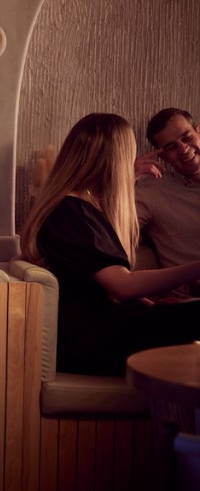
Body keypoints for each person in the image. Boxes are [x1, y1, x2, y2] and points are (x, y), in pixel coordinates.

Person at [20, 113, 200, 376]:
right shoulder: (71, 212)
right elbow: (123, 286)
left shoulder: (82, 206)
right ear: (112, 159)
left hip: (105, 329)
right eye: (128, 156)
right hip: (93, 340)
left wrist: (152, 304)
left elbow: (99, 287)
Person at [133, 108, 200, 279]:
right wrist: (128, 176)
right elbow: (108, 234)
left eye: (187, 138)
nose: (183, 149)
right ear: (162, 156)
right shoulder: (152, 191)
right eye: (171, 147)